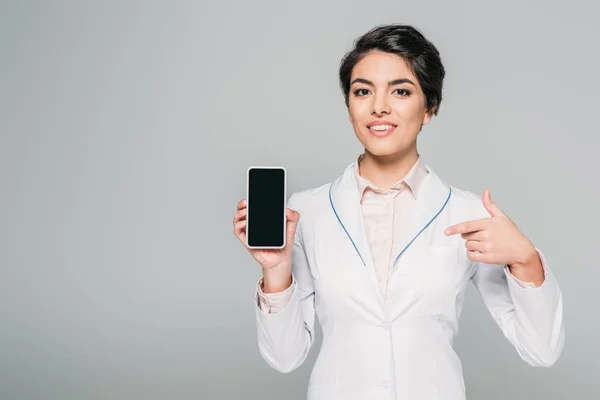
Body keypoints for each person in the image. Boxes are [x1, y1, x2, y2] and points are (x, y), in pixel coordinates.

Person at [232, 24, 564, 400]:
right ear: (349, 106)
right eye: (363, 91)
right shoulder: (304, 212)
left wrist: (525, 260)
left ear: (430, 108)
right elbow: (284, 357)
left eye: (401, 91)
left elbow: (542, 350)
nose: (379, 107)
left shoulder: (467, 213)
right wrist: (276, 270)